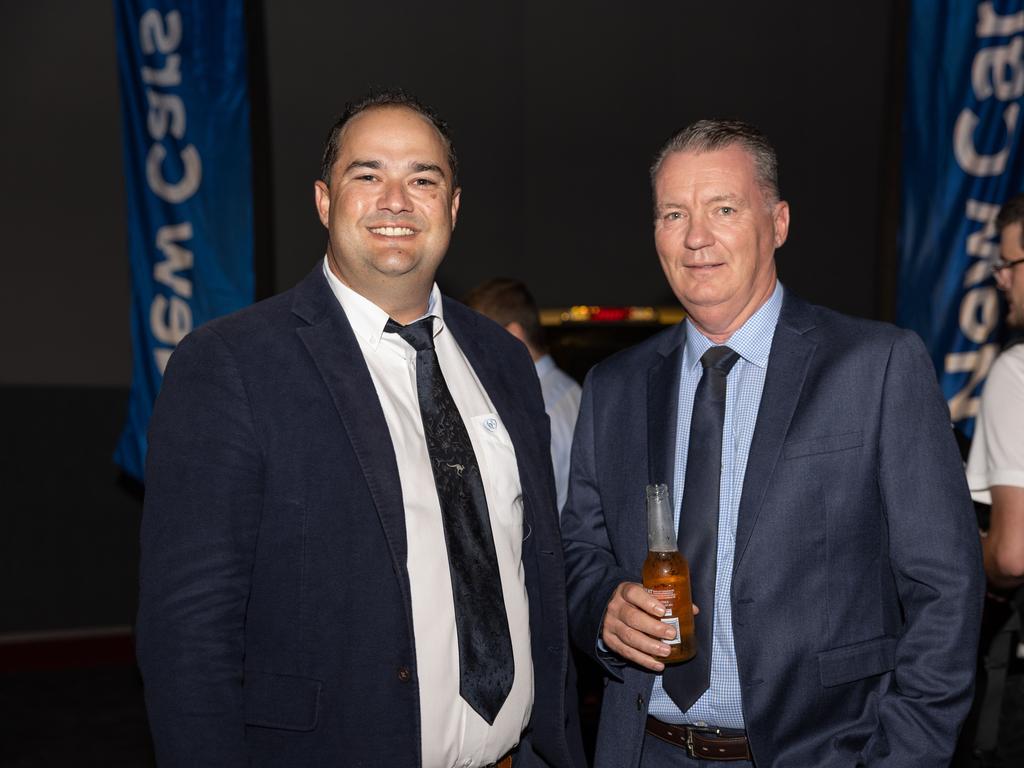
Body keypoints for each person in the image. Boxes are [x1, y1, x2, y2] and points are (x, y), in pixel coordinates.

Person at [137, 90, 577, 768]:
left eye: (423, 179)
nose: (396, 200)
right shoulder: (233, 364)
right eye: (367, 175)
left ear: (452, 208)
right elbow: (187, 633)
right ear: (324, 200)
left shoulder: (504, 362)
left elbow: (534, 570)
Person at [561, 119, 984, 766]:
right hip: (644, 750)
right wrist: (602, 608)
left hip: (826, 751)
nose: (696, 237)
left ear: (778, 222)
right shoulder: (614, 387)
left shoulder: (876, 367)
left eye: (723, 209)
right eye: (673, 214)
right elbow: (578, 552)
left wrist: (906, 756)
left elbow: (946, 590)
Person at [964, 192, 1024, 765]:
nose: (1000, 279)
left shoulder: (1016, 371)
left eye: (1008, 263)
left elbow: (1011, 555)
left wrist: (963, 556)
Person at [464, 278, 582, 513]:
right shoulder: (572, 391)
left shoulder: (532, 409)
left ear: (513, 336)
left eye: (476, 342)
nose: (468, 355)